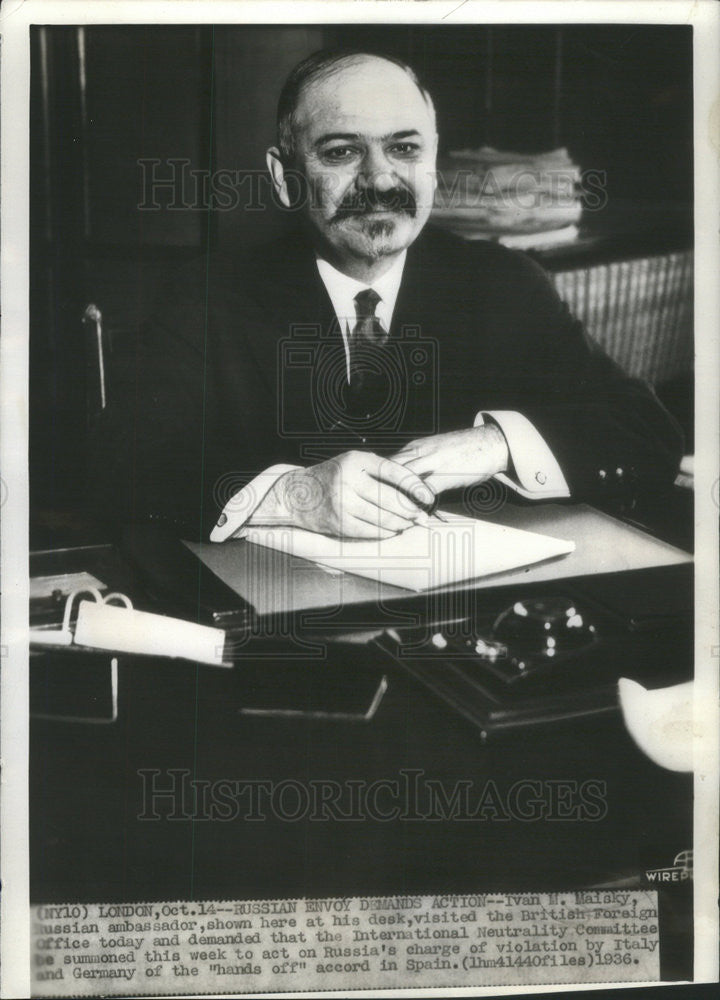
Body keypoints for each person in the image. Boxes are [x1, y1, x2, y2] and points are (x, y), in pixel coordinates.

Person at [91, 49, 682, 543]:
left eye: (405, 149)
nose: (380, 179)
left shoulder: (501, 283)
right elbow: (124, 467)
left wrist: (498, 441)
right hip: (282, 623)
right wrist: (296, 494)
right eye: (342, 152)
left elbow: (645, 431)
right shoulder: (209, 295)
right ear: (283, 176)